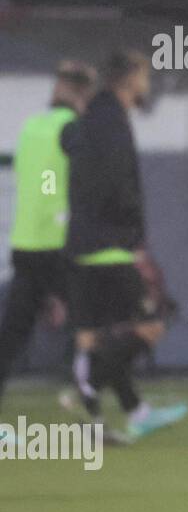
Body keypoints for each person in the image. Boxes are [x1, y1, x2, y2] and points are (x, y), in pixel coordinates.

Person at [62, 50, 188, 441]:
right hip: (109, 244)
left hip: (84, 242)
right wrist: (132, 236)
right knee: (151, 324)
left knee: (99, 335)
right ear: (131, 79)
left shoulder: (91, 118)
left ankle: (135, 410)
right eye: (145, 77)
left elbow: (68, 145)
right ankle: (86, 388)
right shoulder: (112, 122)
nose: (147, 85)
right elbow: (117, 184)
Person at [0, 62, 96, 410]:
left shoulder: (31, 127)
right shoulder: (72, 129)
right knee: (91, 322)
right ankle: (90, 402)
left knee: (11, 336)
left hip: (26, 243)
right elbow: (81, 185)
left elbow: (35, 178)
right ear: (81, 94)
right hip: (58, 243)